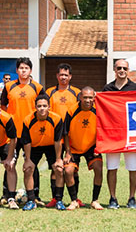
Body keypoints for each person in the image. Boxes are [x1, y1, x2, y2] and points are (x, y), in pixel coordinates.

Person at [0, 57, 44, 206]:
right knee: (10, 163)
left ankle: (35, 194)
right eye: (21, 68)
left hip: (31, 133)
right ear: (17, 70)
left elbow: (42, 107)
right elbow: (2, 106)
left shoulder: (37, 88)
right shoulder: (9, 87)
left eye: (26, 68)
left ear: (30, 70)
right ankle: (7, 194)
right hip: (13, 133)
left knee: (31, 163)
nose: (23, 70)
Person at [102, 59, 136, 209]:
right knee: (112, 167)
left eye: (124, 68)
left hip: (131, 134)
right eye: (119, 68)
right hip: (112, 135)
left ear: (128, 70)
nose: (121, 70)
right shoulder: (107, 89)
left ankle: (132, 198)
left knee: (133, 167)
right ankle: (113, 198)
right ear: (114, 69)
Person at [45, 63, 84, 208]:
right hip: (54, 136)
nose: (63, 77)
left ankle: (76, 198)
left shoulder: (76, 92)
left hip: (71, 136)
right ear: (57, 76)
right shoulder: (49, 92)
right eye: (61, 74)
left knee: (72, 168)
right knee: (56, 168)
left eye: (66, 75)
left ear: (70, 77)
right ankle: (55, 198)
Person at [20, 94, 64, 211]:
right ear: (35, 107)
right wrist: (28, 160)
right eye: (39, 106)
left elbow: (58, 141)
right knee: (28, 169)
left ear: (49, 107)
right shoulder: (27, 120)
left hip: (51, 146)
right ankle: (31, 200)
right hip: (35, 146)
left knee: (58, 169)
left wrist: (59, 159)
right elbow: (27, 142)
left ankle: (58, 200)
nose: (42, 108)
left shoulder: (56, 119)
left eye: (45, 106)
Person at [64, 87, 104, 210]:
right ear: (80, 97)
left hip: (91, 146)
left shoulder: (98, 110)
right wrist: (68, 152)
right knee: (68, 171)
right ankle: (74, 201)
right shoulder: (71, 111)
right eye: (85, 97)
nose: (88, 100)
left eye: (90, 97)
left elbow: (104, 129)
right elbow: (65, 132)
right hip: (74, 146)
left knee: (98, 168)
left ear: (94, 98)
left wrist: (99, 146)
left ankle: (95, 200)